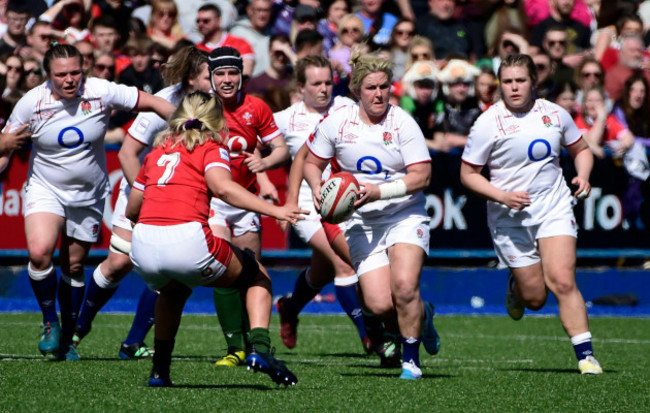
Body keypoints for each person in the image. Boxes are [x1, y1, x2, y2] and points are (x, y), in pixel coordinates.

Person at [0, 43, 175, 361]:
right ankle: (50, 323)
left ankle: (67, 338)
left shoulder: (100, 91)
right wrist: (6, 144)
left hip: (89, 195)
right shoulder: (32, 103)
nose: (69, 80)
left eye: (75, 72)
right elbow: (4, 145)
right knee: (40, 254)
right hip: (45, 188)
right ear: (47, 75)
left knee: (74, 265)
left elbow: (152, 102)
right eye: (61, 75)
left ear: (85, 70)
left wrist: (187, 125)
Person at [127, 91, 304, 387]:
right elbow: (224, 189)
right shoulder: (211, 145)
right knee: (258, 275)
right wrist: (277, 210)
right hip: (187, 240)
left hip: (142, 243)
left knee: (172, 292)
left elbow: (133, 207)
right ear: (216, 120)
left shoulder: (156, 151)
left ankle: (159, 372)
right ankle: (260, 351)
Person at [459, 53, 603, 375]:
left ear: (533, 82)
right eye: (507, 81)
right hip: (509, 216)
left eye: (520, 80)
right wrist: (502, 196)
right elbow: (467, 174)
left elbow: (580, 149)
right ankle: (516, 287)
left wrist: (583, 175)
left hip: (553, 207)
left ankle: (586, 356)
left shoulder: (555, 114)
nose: (513, 88)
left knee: (563, 281)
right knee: (536, 298)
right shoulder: (487, 123)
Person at [303, 49, 440, 380]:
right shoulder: (338, 121)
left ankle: (411, 361)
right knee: (379, 304)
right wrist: (317, 189)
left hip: (404, 215)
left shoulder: (403, 123)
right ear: (355, 90)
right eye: (371, 88)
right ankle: (424, 316)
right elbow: (311, 162)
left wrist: (379, 191)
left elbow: (422, 176)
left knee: (405, 286)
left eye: (384, 87)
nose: (379, 94)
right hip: (362, 222)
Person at [72, 46, 213, 360]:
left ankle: (132, 343)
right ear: (192, 79)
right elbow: (126, 153)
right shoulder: (165, 102)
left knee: (168, 270)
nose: (217, 80)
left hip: (179, 198)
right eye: (209, 75)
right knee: (118, 264)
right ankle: (76, 331)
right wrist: (148, 196)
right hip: (145, 192)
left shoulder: (212, 104)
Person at [273, 55, 370, 352]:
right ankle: (372, 339)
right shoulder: (286, 118)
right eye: (316, 83)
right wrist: (265, 181)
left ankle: (289, 308)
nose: (324, 89)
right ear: (301, 87)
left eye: (328, 82)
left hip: (346, 205)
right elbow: (251, 143)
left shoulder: (345, 108)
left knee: (323, 271)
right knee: (343, 263)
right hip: (307, 207)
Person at [207, 46, 290, 367]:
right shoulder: (202, 110)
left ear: (242, 76)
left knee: (250, 272)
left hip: (246, 201)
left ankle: (256, 344)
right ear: (211, 78)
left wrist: (264, 161)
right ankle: (235, 348)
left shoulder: (256, 107)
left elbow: (281, 149)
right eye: (220, 74)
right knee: (220, 270)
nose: (227, 80)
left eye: (232, 73)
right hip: (215, 200)